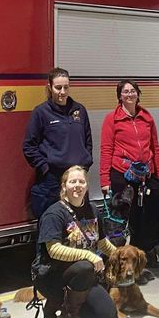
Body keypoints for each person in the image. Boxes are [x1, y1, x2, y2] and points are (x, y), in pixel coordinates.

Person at [31, 166, 119, 318]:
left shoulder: (93, 210)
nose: (77, 185)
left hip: (82, 277)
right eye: (72, 182)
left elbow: (101, 243)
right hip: (52, 275)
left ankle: (66, 304)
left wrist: (121, 256)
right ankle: (69, 314)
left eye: (81, 181)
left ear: (86, 186)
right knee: (85, 265)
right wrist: (88, 255)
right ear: (64, 186)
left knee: (107, 316)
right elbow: (54, 250)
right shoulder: (54, 213)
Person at [99, 79, 159, 250]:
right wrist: (104, 181)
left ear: (138, 94)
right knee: (126, 217)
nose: (130, 94)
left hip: (145, 174)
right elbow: (106, 149)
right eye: (125, 92)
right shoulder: (112, 119)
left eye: (132, 91)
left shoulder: (147, 117)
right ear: (120, 96)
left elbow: (155, 147)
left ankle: (144, 252)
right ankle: (122, 255)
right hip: (122, 174)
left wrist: (158, 175)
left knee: (146, 216)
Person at [24, 68, 93, 218]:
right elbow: (29, 146)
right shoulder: (41, 112)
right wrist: (45, 168)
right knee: (51, 226)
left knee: (79, 229)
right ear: (50, 87)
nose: (62, 92)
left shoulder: (79, 110)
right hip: (51, 182)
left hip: (77, 179)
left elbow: (88, 141)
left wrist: (85, 165)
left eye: (66, 87)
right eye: (58, 87)